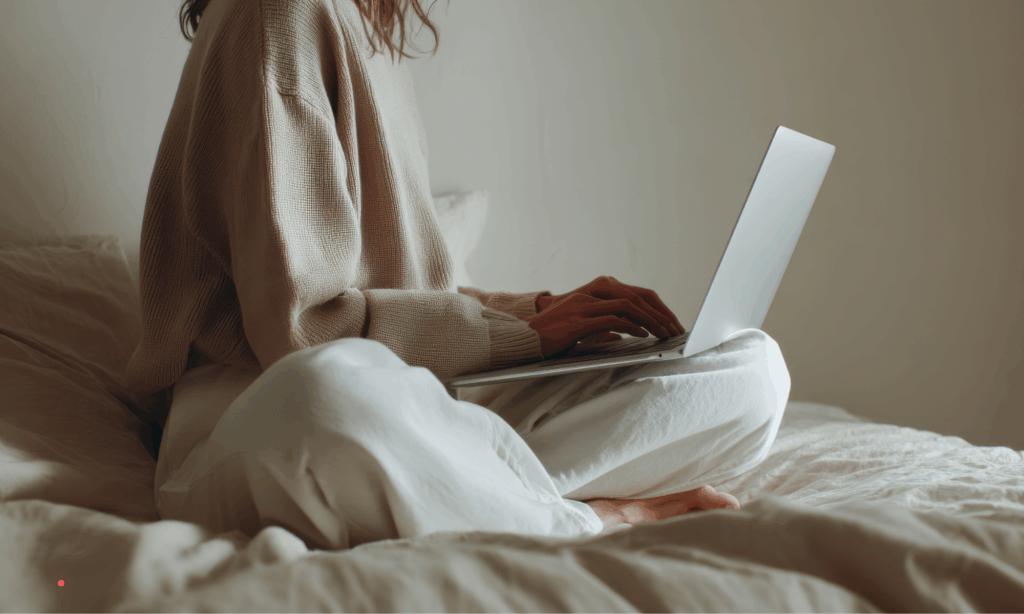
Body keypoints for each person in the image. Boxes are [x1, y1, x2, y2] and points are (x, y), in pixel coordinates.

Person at [125, 0, 790, 550]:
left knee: (748, 370)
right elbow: (301, 332)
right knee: (333, 396)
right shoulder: (276, 14)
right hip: (256, 416)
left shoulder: (372, 25)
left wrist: (540, 313)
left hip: (423, 393)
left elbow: (417, 295)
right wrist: (521, 336)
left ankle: (462, 487)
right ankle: (596, 518)